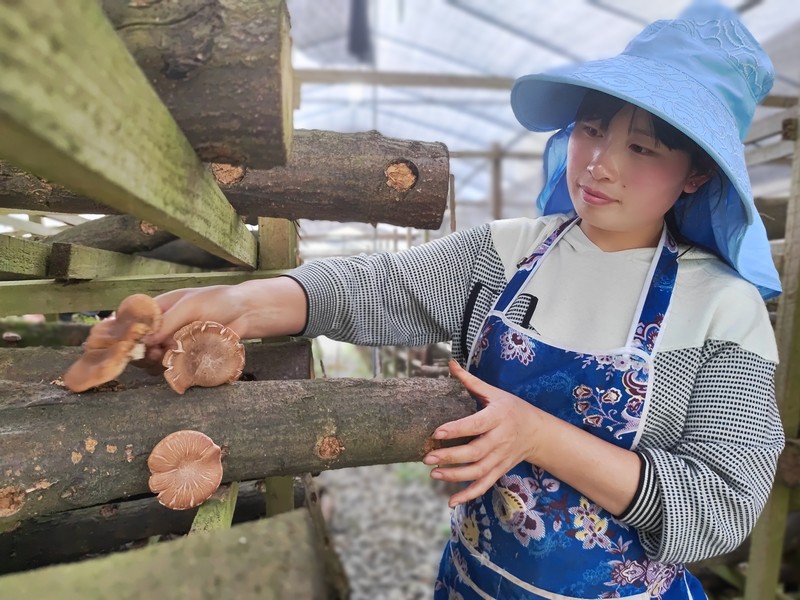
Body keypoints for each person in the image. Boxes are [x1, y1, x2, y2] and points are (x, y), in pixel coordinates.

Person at [142, 2, 785, 598]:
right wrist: (240, 303)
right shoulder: (506, 254)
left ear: (697, 173)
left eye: (642, 148)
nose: (599, 165)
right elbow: (371, 288)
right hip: (471, 583)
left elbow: (722, 508)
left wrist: (536, 435)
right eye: (592, 129)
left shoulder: (721, 306)